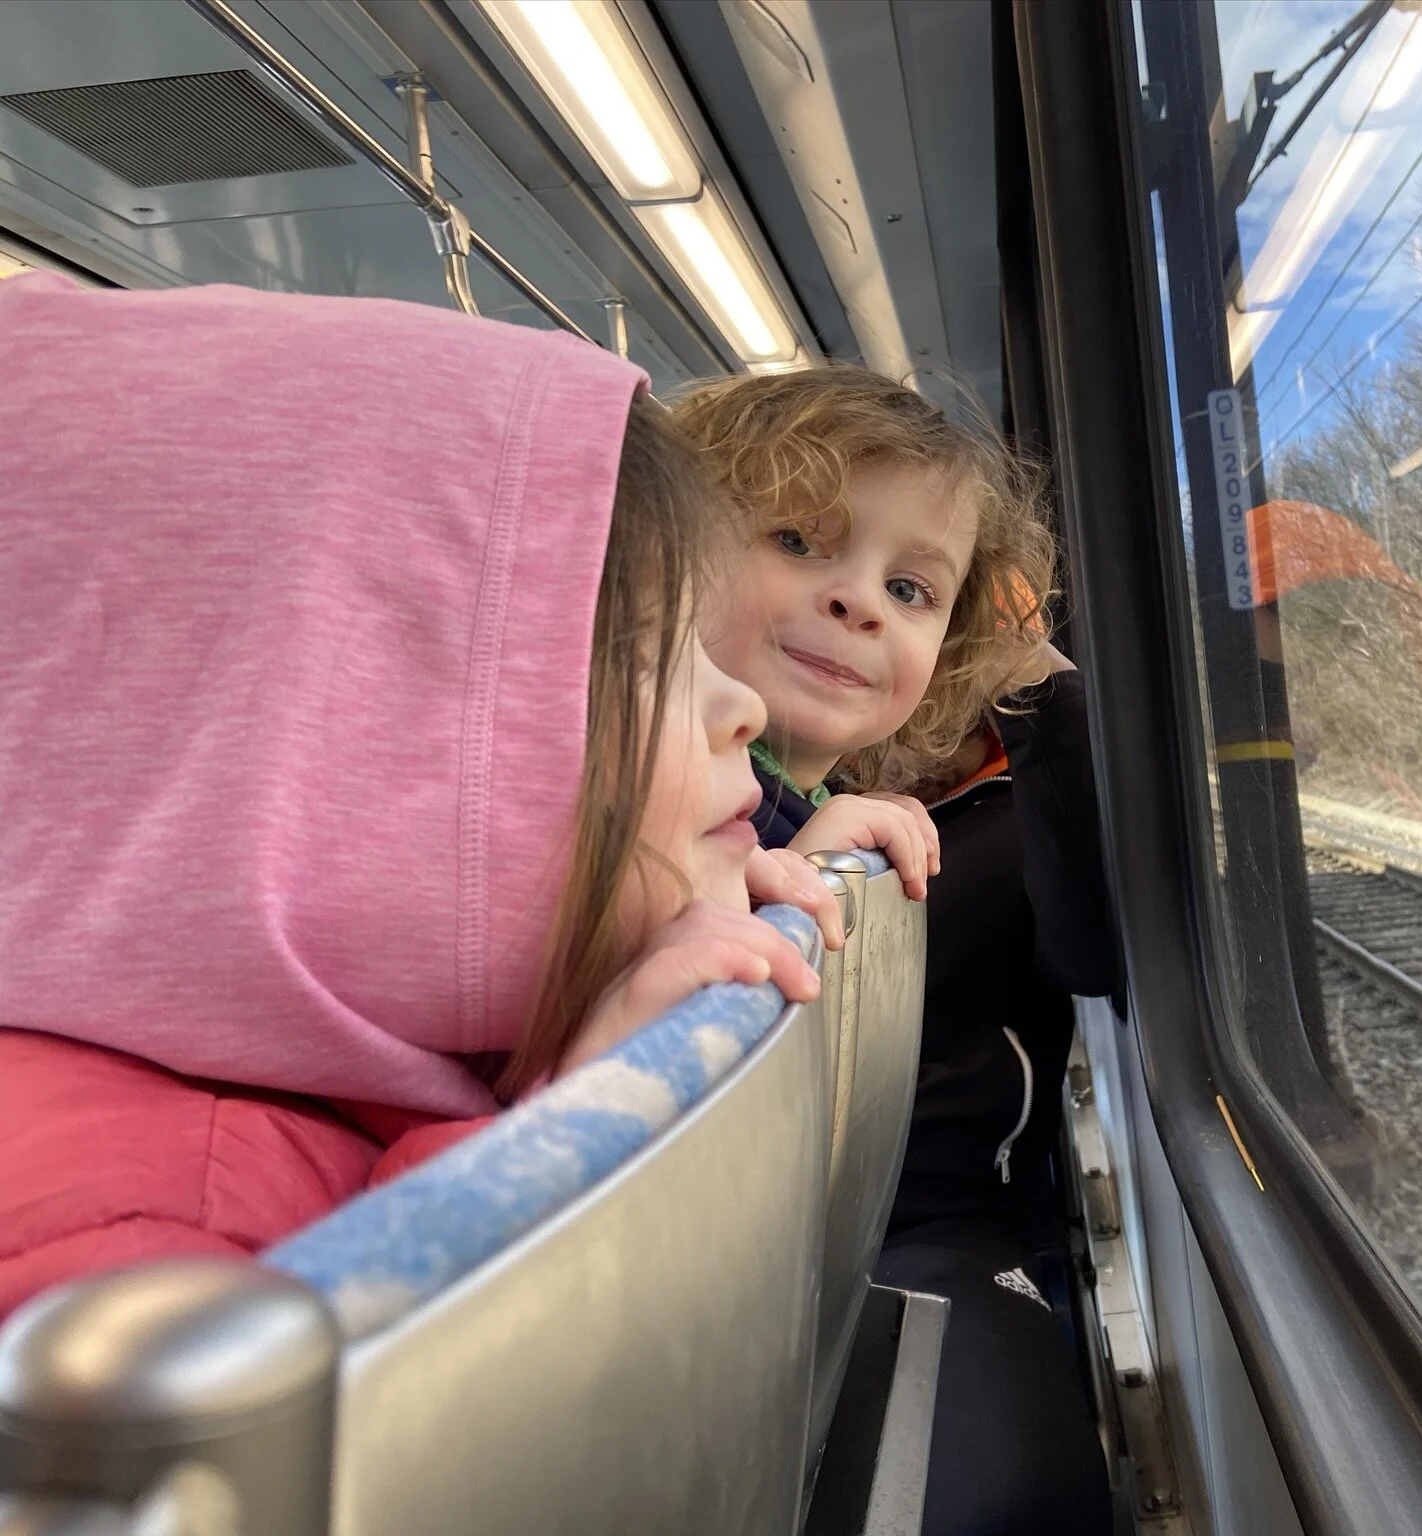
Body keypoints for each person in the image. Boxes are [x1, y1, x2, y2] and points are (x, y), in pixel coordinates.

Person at [0, 276, 838, 1321]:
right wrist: (566, 1157)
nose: (745, 707)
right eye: (640, 654)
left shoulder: (318, 1073)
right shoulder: (137, 1253)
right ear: (349, 753)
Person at [674, 367, 1115, 1536]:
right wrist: (789, 877)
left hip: (873, 1218)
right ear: (665, 550)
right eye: (796, 539)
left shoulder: (835, 803)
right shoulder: (644, 793)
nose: (858, 600)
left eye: (909, 588)